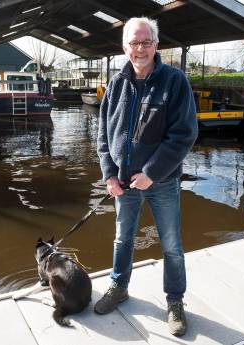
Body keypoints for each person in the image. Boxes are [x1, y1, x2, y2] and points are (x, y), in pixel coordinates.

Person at [95, 17, 198, 337]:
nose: (140, 49)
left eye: (146, 42)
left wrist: (151, 173)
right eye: (134, 43)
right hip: (124, 183)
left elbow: (183, 134)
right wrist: (110, 176)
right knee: (122, 238)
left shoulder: (174, 81)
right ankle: (119, 286)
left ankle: (175, 301)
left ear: (157, 44)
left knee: (172, 244)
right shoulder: (115, 84)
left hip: (162, 181)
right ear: (124, 47)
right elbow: (102, 135)